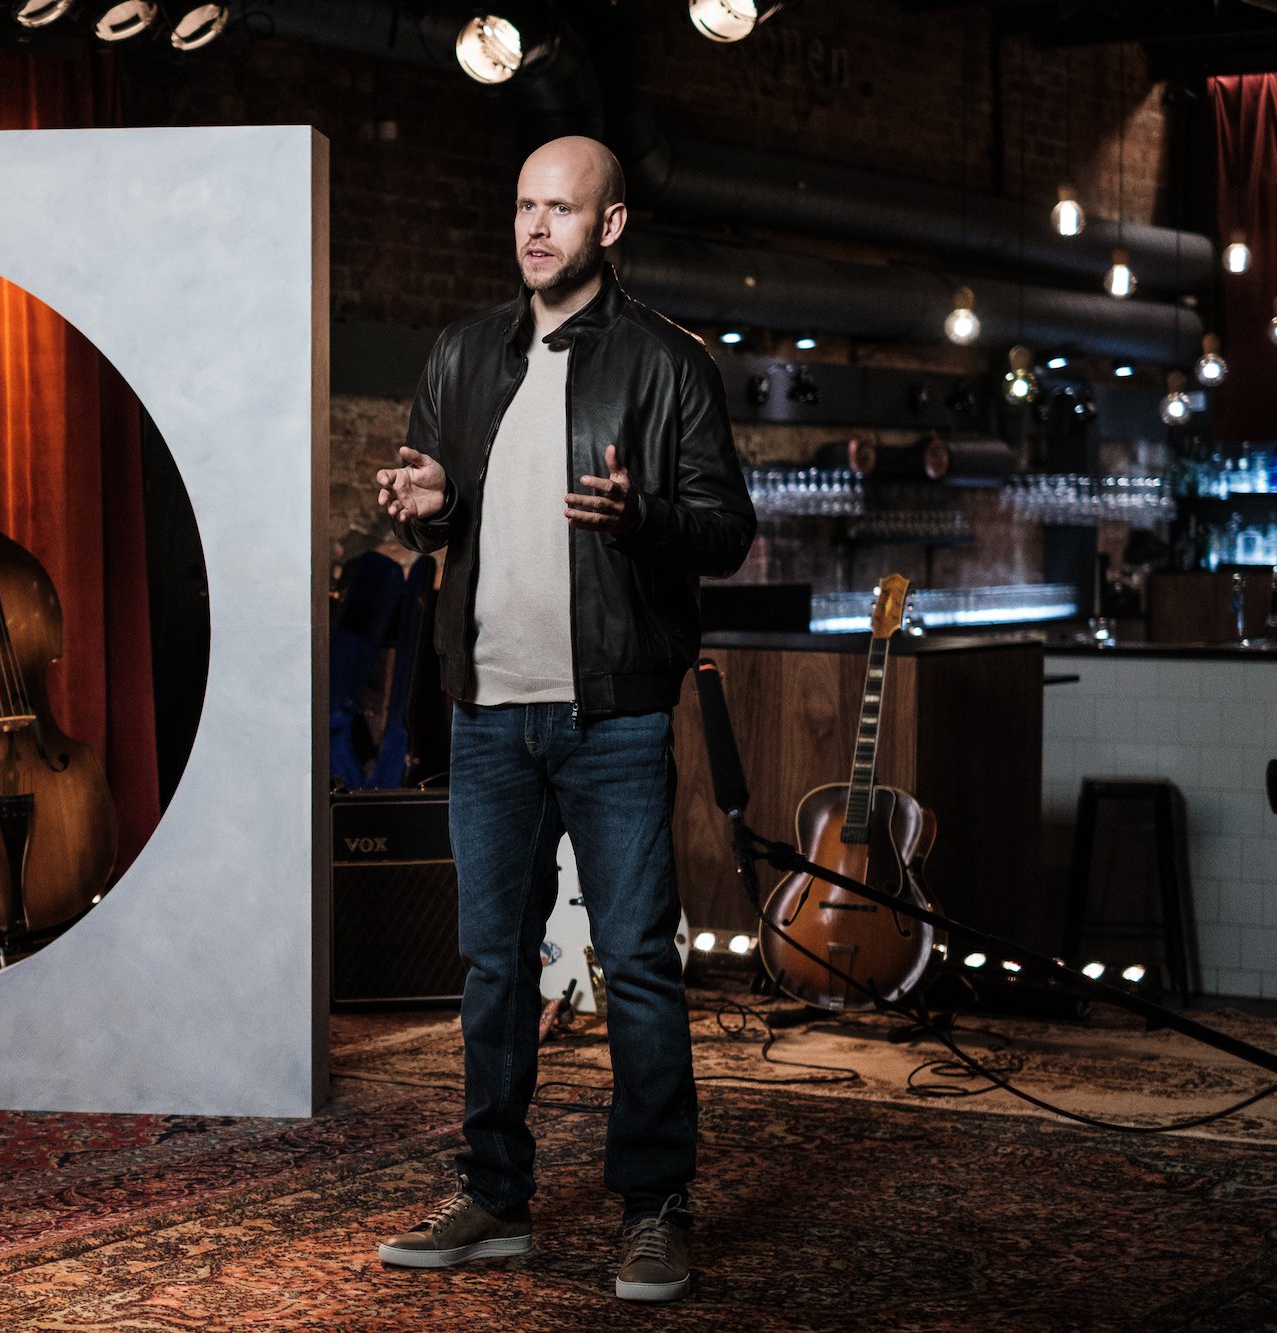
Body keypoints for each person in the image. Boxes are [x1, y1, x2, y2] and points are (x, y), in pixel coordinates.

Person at [370, 135, 755, 1304]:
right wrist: (424, 510)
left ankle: (654, 1206)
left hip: (614, 718)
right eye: (525, 206)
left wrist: (641, 518)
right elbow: (446, 508)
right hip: (486, 713)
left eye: (562, 210)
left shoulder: (666, 364)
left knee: (636, 964)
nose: (537, 228)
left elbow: (725, 533)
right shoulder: (462, 352)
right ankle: (492, 1193)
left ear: (610, 226)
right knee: (491, 970)